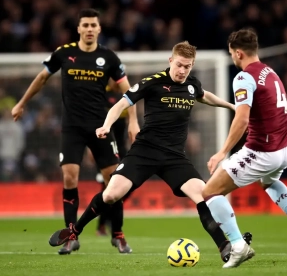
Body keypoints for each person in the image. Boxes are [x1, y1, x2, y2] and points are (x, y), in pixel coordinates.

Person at [48, 40, 252, 262]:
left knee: (205, 195)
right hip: (144, 152)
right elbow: (121, 104)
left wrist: (231, 106)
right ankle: (74, 231)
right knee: (111, 194)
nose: (183, 71)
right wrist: (106, 126)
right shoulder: (152, 82)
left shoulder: (192, 84)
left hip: (174, 157)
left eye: (188, 66)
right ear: (171, 61)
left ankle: (226, 246)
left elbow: (204, 95)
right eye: (180, 65)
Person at [11, 9, 140, 255]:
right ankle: (71, 235)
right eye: (86, 25)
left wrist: (133, 121)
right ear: (79, 29)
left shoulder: (109, 58)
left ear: (99, 29)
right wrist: (22, 102)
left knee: (115, 181)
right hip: (71, 128)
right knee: (70, 178)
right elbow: (41, 78)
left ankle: (118, 234)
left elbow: (128, 92)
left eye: (94, 25)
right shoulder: (64, 53)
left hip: (101, 127)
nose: (90, 29)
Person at [202, 29, 287, 268]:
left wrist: (223, 152)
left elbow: (242, 119)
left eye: (232, 53)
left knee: (210, 192)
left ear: (239, 53)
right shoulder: (270, 72)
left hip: (263, 151)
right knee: (267, 182)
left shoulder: (244, 77)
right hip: (286, 147)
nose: (232, 57)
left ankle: (238, 245)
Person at [96, 79, 129, 236]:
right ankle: (102, 224)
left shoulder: (125, 94)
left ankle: (108, 217)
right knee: (108, 187)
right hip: (107, 145)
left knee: (127, 186)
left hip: (121, 147)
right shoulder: (104, 93)